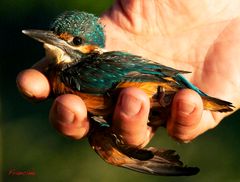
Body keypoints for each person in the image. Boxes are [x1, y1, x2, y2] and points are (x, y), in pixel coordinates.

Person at [17, 0, 240, 146]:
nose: (55, 43)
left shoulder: (75, 74)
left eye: (75, 42)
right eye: (53, 36)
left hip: (161, 85)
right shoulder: (59, 73)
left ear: (91, 48)